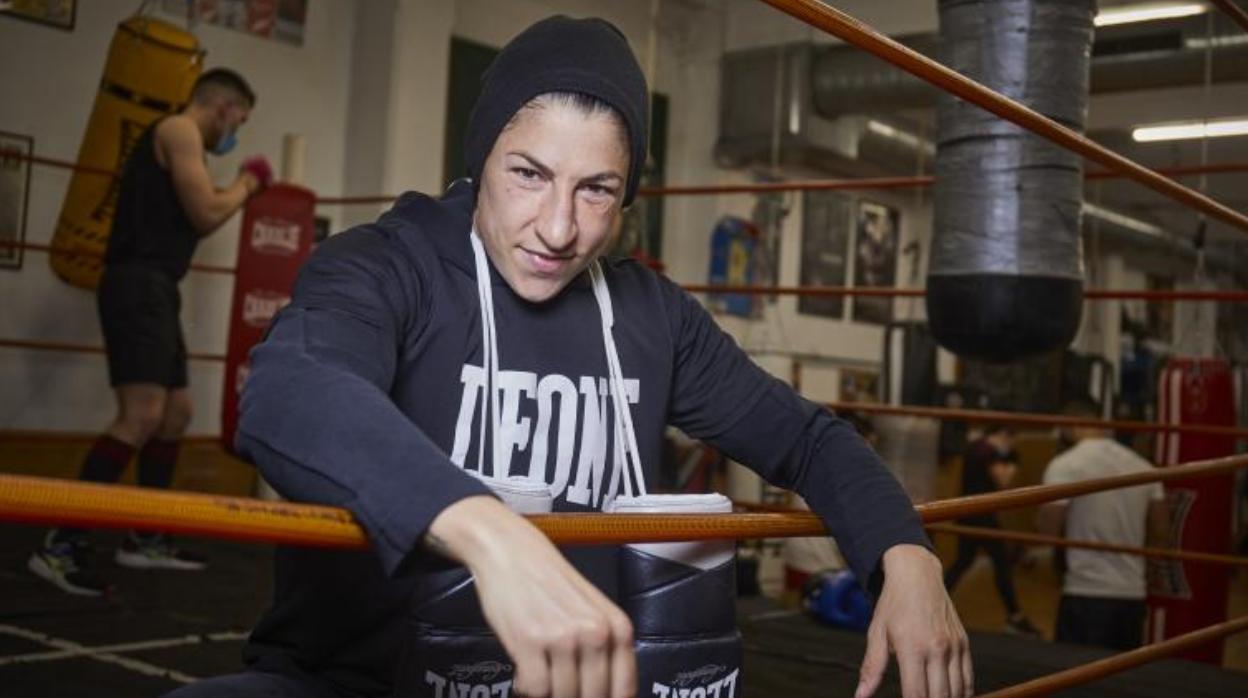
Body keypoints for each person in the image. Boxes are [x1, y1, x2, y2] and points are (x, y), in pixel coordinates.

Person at [168, 17, 970, 698]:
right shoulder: (387, 265)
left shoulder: (651, 315)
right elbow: (292, 388)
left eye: (597, 190)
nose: (559, 229)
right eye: (529, 174)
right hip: (356, 681)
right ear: (481, 159)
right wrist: (487, 529)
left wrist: (905, 558)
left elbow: (807, 438)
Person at [28, 68, 272, 597]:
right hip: (137, 283)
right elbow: (205, 212)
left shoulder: (184, 140)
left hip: (156, 287)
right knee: (140, 414)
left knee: (176, 413)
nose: (236, 133)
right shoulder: (179, 130)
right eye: (239, 121)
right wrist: (247, 183)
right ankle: (60, 543)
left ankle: (146, 536)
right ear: (223, 107)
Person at [1037, 400, 1169, 650]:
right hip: (1133, 593)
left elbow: (1047, 530)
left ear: (1071, 424)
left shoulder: (1066, 465)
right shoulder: (1142, 465)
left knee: (1076, 671)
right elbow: (1161, 530)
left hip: (1086, 591)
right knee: (1123, 671)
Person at [943, 424, 1040, 635]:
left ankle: (935, 605)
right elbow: (1004, 481)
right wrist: (1010, 458)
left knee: (964, 562)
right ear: (1004, 434)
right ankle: (1015, 616)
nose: (1012, 444)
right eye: (1012, 440)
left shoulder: (976, 447)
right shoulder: (986, 451)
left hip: (971, 513)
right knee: (1000, 562)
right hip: (980, 516)